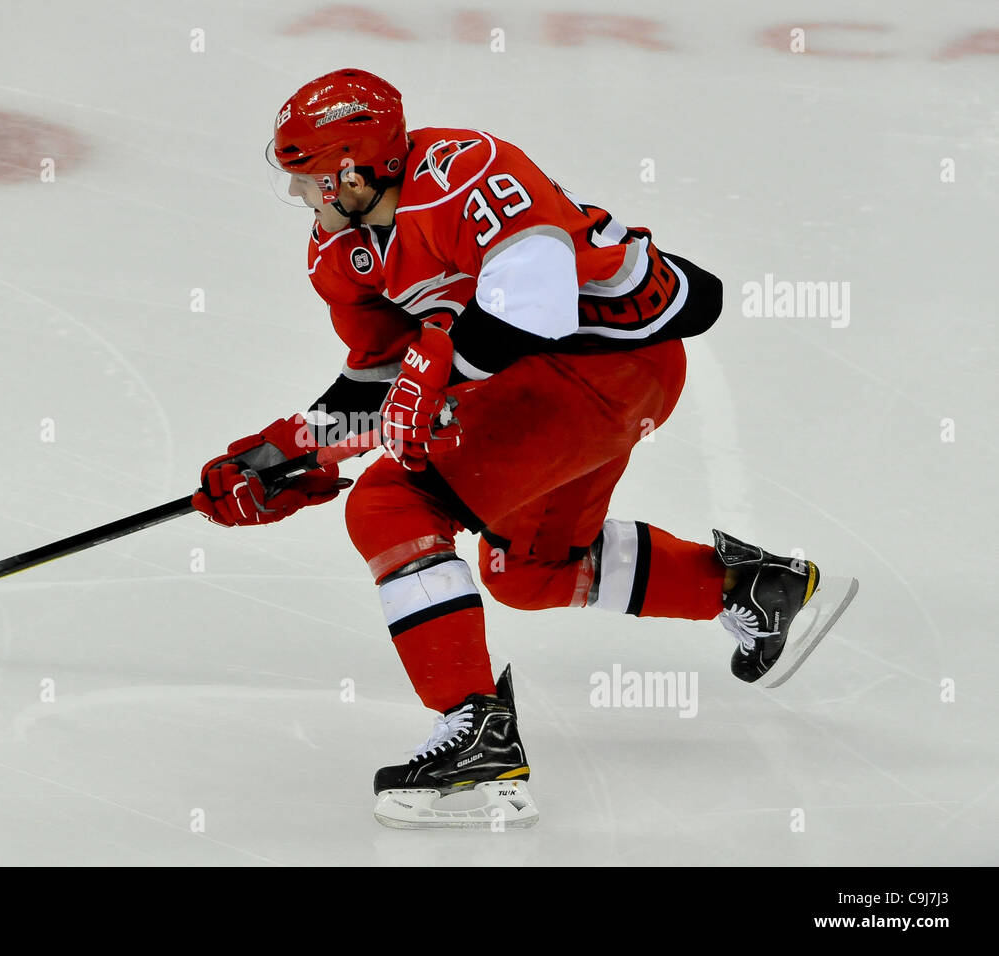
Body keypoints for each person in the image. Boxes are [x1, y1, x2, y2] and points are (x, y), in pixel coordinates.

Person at [191, 69, 849, 829]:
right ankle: (749, 589)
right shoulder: (340, 254)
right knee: (529, 568)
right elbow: (379, 383)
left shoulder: (465, 171)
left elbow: (529, 307)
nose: (304, 198)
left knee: (394, 502)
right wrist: (288, 452)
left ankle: (478, 740)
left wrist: (436, 374)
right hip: (575, 386)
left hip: (603, 362)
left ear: (355, 166)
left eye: (309, 179)